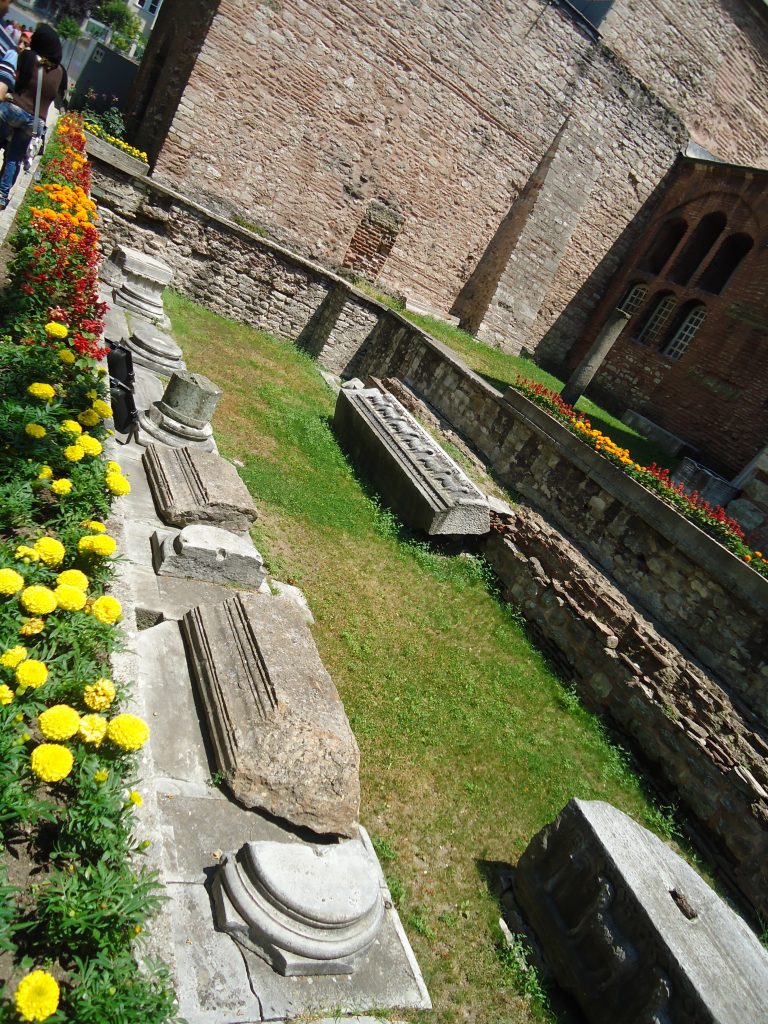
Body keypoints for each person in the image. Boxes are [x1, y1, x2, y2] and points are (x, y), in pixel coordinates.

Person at [0, 25, 66, 208]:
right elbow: (58, 97)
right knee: (14, 157)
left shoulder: (29, 57)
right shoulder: (62, 72)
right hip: (36, 121)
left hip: (15, 110)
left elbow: (16, 82)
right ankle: (1, 195)